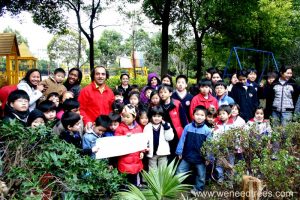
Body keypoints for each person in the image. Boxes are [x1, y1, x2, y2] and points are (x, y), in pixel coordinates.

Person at [176, 105, 212, 193]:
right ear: (193, 115)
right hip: (187, 155)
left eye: (202, 115)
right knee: (180, 171)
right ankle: (175, 186)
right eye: (197, 114)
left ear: (206, 117)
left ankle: (198, 189)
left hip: (200, 158)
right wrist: (179, 151)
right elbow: (182, 140)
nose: (199, 117)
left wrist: (208, 157)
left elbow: (209, 145)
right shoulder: (187, 127)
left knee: (201, 174)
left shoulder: (207, 130)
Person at [115, 104, 144, 186]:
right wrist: (125, 137)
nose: (125, 119)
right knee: (125, 178)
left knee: (134, 176)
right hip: (125, 156)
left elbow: (141, 140)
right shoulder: (120, 128)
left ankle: (135, 192)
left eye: (128, 117)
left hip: (136, 156)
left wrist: (142, 151)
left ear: (134, 117)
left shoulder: (138, 128)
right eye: (123, 116)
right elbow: (117, 140)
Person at [78, 66, 114, 130]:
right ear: (93, 76)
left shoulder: (110, 92)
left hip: (106, 127)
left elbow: (112, 110)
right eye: (97, 74)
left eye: (103, 74)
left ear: (106, 76)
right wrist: (87, 121)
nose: (100, 76)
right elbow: (81, 109)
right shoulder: (85, 91)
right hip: (91, 127)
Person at [158, 84, 188, 161]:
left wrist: (186, 132)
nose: (162, 94)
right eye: (161, 92)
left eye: (165, 92)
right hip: (163, 133)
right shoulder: (158, 105)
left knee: (176, 154)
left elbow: (184, 119)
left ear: (170, 93)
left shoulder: (177, 104)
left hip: (176, 133)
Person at [144, 106, 174, 170]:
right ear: (151, 116)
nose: (156, 118)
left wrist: (166, 127)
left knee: (162, 170)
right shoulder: (147, 126)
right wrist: (146, 147)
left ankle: (161, 180)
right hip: (152, 153)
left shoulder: (166, 125)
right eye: (154, 116)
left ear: (162, 117)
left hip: (163, 152)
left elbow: (170, 138)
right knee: (152, 171)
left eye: (159, 116)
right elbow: (145, 139)